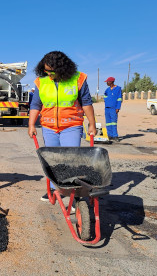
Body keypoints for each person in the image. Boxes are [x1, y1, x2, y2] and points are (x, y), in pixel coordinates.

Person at [28, 51, 96, 201]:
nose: (49, 74)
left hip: (71, 125)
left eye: (51, 71)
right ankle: (54, 189)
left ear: (62, 69)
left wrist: (92, 124)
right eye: (46, 70)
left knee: (70, 159)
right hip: (49, 127)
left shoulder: (78, 79)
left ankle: (74, 193)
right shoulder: (42, 81)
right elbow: (36, 104)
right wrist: (31, 124)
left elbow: (86, 103)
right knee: (53, 160)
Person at [104, 77, 122, 142]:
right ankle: (110, 135)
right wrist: (106, 101)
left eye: (107, 82)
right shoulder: (107, 90)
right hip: (107, 108)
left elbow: (119, 99)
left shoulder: (118, 89)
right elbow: (105, 96)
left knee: (113, 123)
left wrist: (118, 108)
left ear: (111, 82)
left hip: (113, 109)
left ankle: (115, 136)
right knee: (108, 123)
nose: (106, 83)